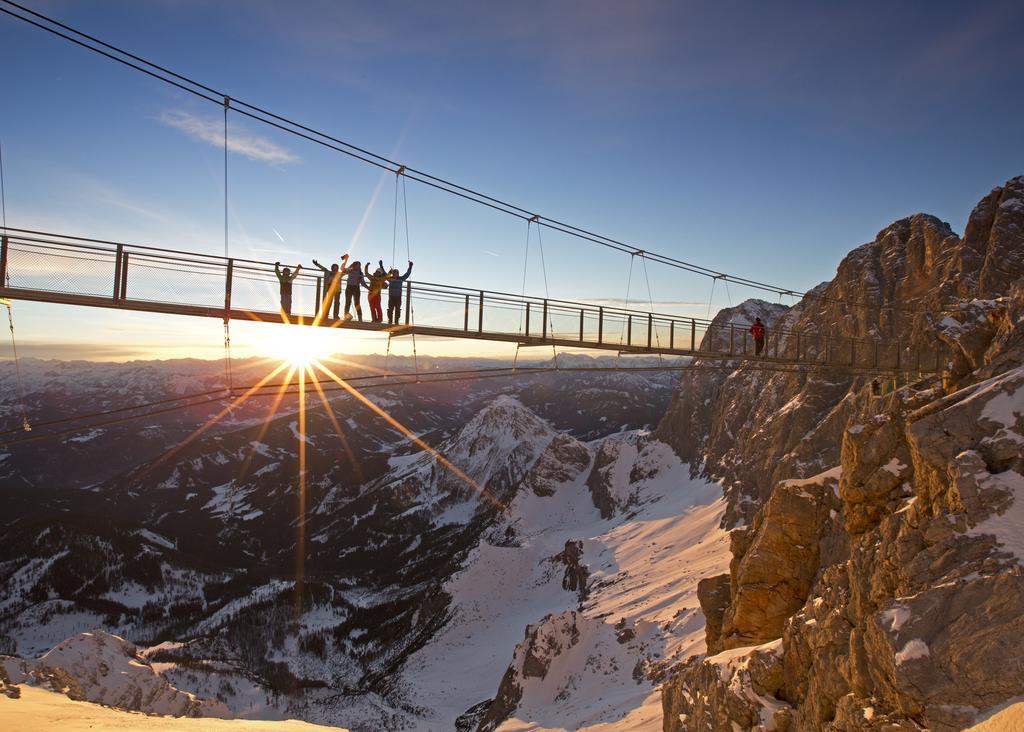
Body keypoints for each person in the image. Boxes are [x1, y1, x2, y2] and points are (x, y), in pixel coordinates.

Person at [386, 261, 413, 325]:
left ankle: (396, 321)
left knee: (397, 309)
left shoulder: (401, 278)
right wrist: (389, 272)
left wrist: (410, 267)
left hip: (398, 297)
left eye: (397, 273)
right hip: (391, 296)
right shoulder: (390, 278)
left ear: (398, 274)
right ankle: (390, 320)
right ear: (393, 274)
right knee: (390, 309)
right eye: (394, 273)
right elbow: (385, 277)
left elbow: (407, 274)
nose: (395, 274)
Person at [341, 256, 367, 321]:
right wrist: (346, 260)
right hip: (349, 287)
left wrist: (369, 288)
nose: (358, 266)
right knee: (348, 302)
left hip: (356, 288)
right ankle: (346, 316)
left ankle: (360, 318)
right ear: (354, 265)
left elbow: (363, 283)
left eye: (359, 265)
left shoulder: (360, 273)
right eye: (357, 265)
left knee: (357, 303)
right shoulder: (350, 270)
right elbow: (342, 269)